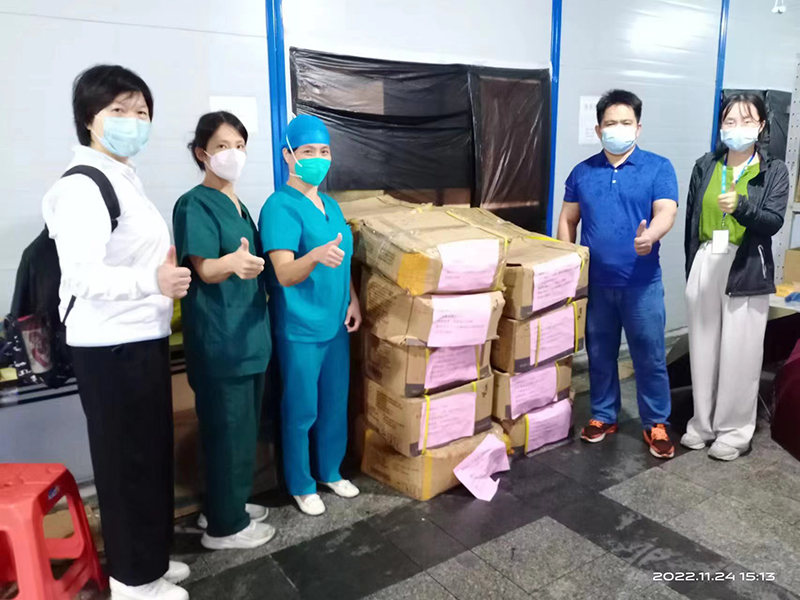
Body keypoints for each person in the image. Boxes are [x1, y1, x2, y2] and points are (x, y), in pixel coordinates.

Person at [42, 65, 192, 600]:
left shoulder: (123, 176)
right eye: (119, 110)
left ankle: (148, 562)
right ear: (89, 119)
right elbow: (82, 277)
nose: (133, 120)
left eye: (141, 111)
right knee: (126, 465)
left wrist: (157, 285)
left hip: (138, 338)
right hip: (109, 347)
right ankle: (131, 581)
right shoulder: (82, 186)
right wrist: (152, 281)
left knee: (148, 457)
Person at [172, 112, 276, 549]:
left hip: (248, 337)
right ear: (202, 154)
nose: (233, 154)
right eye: (221, 146)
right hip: (221, 341)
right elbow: (204, 269)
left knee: (240, 432)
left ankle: (226, 505)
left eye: (239, 145)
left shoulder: (239, 205)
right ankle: (225, 528)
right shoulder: (194, 203)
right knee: (226, 434)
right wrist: (230, 263)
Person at [557, 89, 679, 460]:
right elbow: (567, 219)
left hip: (641, 285)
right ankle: (603, 414)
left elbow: (667, 210)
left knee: (649, 356)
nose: (618, 129)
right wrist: (568, 262)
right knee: (599, 353)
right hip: (597, 287)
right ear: (599, 130)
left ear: (638, 128)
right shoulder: (583, 172)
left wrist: (650, 237)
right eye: (611, 123)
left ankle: (656, 422)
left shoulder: (658, 168)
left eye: (626, 122)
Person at [259, 114, 362, 516]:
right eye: (307, 151)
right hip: (299, 327)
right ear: (288, 156)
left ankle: (330, 471)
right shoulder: (280, 207)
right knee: (302, 409)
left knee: (335, 402)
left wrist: (352, 299)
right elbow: (284, 273)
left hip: (335, 322)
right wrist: (314, 256)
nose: (318, 158)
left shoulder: (331, 205)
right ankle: (301, 483)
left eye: (324, 151)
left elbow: (343, 259)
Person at [682, 93, 790, 461]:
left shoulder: (773, 170)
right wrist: (690, 269)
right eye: (730, 121)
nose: (737, 128)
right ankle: (702, 423)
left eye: (746, 121)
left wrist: (742, 207)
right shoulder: (706, 165)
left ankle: (735, 431)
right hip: (706, 259)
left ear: (761, 126)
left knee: (740, 353)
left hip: (746, 265)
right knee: (702, 348)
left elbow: (773, 221)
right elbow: (691, 221)